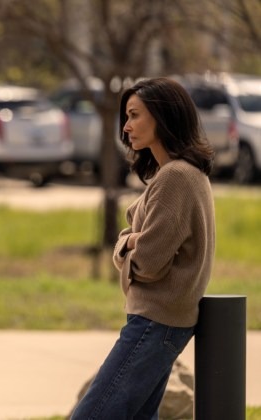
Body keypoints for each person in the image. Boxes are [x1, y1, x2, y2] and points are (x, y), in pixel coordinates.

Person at [71, 77, 215, 419]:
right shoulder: (182, 174)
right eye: (126, 116)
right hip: (162, 322)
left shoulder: (176, 177)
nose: (126, 127)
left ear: (163, 117)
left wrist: (127, 243)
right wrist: (132, 240)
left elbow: (149, 263)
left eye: (135, 115)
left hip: (154, 322)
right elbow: (142, 244)